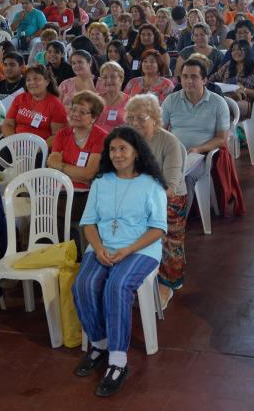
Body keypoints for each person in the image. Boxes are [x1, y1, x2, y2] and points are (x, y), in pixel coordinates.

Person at [72, 126, 168, 397]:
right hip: (103, 247)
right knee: (84, 284)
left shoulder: (152, 185)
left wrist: (127, 250)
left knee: (117, 287)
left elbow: (158, 229)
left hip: (140, 250)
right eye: (112, 149)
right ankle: (99, 344)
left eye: (123, 148)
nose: (117, 154)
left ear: (137, 152)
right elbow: (88, 222)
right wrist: (99, 247)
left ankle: (117, 361)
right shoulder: (101, 181)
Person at [124, 94, 188, 308]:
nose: (134, 123)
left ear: (154, 118)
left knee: (168, 239)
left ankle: (166, 284)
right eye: (130, 118)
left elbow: (170, 186)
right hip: (137, 198)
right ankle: (133, 280)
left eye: (141, 118)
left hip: (169, 199)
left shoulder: (169, 142)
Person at [46, 90, 107, 250]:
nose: (75, 114)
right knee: (45, 208)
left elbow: (89, 174)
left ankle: (75, 254)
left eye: (82, 111)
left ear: (93, 117)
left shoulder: (100, 137)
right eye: (73, 109)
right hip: (60, 192)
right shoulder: (62, 134)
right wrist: (75, 172)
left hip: (86, 195)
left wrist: (62, 167)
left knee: (59, 211)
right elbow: (51, 163)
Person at [162, 58, 230, 155]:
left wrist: (198, 149)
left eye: (194, 77)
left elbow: (221, 138)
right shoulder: (171, 100)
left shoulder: (218, 103)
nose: (189, 81)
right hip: (174, 153)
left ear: (204, 80)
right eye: (185, 76)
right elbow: (160, 130)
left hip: (203, 155)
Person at [2, 64, 66, 146]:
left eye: (36, 79)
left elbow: (57, 135)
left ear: (47, 81)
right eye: (28, 80)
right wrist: (13, 143)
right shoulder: (20, 98)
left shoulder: (56, 105)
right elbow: (8, 124)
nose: (32, 82)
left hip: (40, 149)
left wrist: (35, 149)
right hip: (15, 144)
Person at [209, 39, 254, 120]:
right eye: (233, 50)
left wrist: (244, 89)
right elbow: (212, 79)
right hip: (226, 97)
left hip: (246, 101)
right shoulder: (229, 65)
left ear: (247, 50)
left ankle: (228, 130)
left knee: (224, 108)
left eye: (239, 49)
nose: (235, 52)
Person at [95, 62, 129, 133]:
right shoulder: (95, 99)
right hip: (96, 141)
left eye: (113, 77)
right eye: (105, 77)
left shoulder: (130, 102)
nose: (109, 80)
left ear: (121, 79)